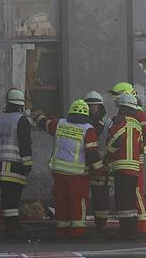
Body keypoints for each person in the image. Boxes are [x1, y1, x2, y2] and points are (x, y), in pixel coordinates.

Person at [34, 99, 105, 238]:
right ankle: (77, 232)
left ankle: (62, 230)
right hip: (77, 174)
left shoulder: (59, 124)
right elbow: (92, 154)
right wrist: (100, 169)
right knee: (78, 202)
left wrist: (39, 116)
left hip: (59, 172)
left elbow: (44, 124)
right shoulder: (88, 129)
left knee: (61, 200)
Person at [0, 88, 35, 239]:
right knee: (14, 199)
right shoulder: (21, 120)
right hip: (15, 166)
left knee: (7, 198)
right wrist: (28, 164)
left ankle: (11, 226)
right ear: (20, 104)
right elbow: (25, 144)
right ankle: (13, 229)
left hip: (0, 167)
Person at [110, 82, 146, 236]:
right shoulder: (132, 112)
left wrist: (136, 148)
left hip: (133, 158)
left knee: (135, 191)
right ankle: (136, 226)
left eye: (116, 96)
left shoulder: (137, 112)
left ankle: (140, 225)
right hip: (132, 157)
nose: (114, 99)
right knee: (131, 192)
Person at [105, 92, 145, 241]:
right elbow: (140, 146)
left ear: (121, 107)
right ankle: (132, 231)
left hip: (121, 167)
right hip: (134, 168)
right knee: (130, 201)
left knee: (123, 202)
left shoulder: (120, 121)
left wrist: (107, 154)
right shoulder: (137, 124)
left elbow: (115, 140)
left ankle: (125, 233)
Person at [84, 91, 112, 232]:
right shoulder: (82, 122)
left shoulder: (108, 123)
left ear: (100, 106)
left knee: (100, 195)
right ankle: (79, 221)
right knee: (80, 194)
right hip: (83, 163)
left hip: (101, 165)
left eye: (94, 106)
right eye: (89, 105)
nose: (91, 108)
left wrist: (105, 163)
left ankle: (101, 223)